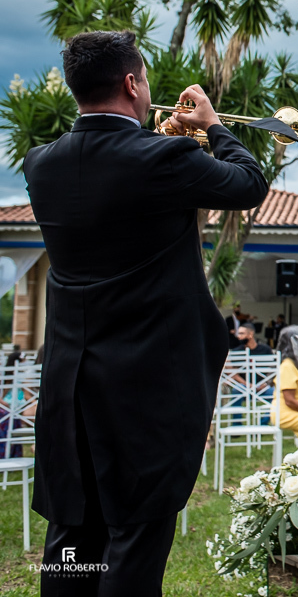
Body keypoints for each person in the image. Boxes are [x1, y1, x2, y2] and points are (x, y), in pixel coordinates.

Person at [24, 31, 269, 596]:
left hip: (69, 389)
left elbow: (115, 208)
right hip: (143, 392)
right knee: (132, 543)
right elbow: (248, 184)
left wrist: (165, 147)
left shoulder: (42, 166)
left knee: (72, 539)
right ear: (133, 83)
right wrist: (212, 125)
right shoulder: (162, 158)